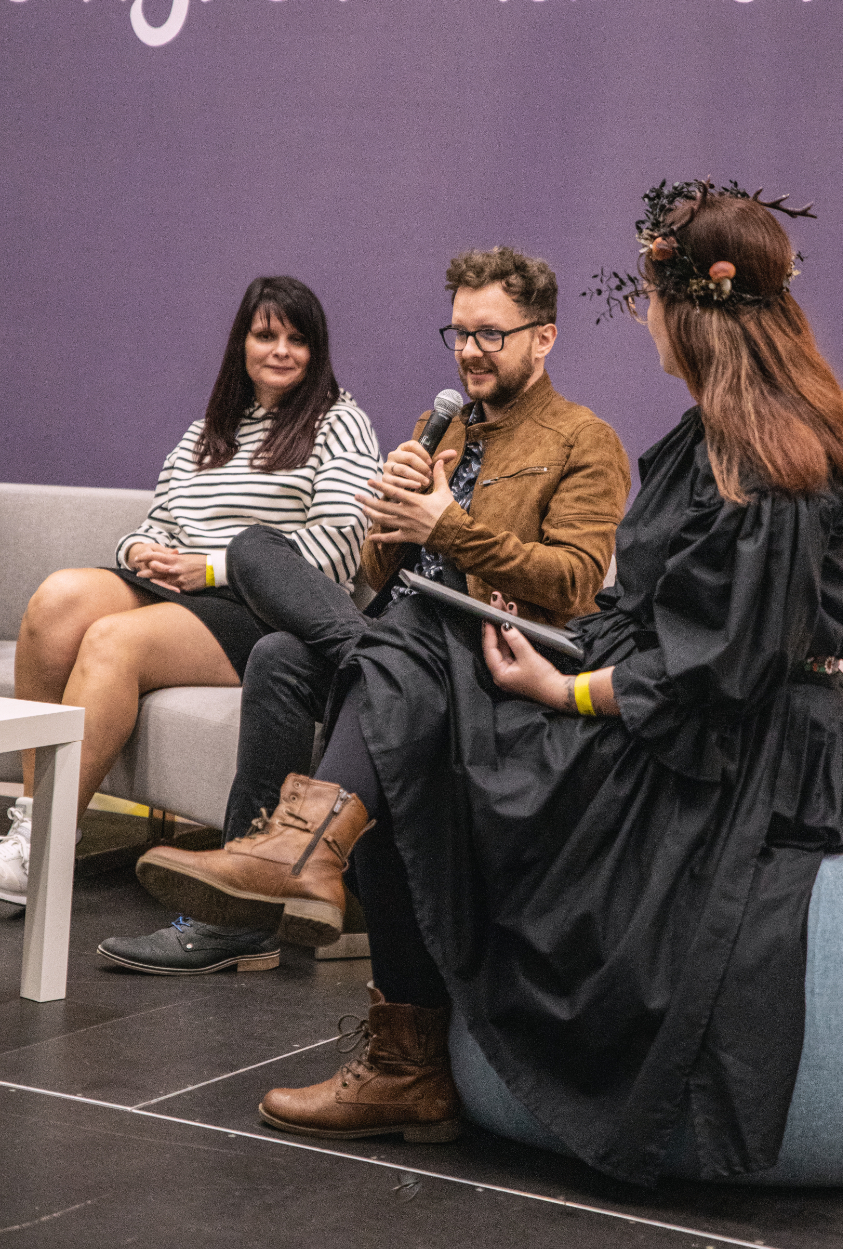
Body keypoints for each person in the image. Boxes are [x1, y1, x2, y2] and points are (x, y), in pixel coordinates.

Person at [219, 184, 843, 1183]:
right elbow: (659, 621)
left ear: (691, 310)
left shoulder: (767, 459)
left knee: (409, 684)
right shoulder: (721, 436)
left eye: (649, 302)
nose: (645, 321)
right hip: (683, 705)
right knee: (407, 666)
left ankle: (326, 884)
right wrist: (538, 648)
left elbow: (717, 671)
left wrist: (564, 690)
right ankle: (352, 939)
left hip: (746, 754)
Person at [101, 246, 631, 972]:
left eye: (490, 334)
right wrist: (392, 520)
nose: (469, 352)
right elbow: (386, 573)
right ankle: (245, 909)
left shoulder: (585, 440)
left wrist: (447, 527)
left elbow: (574, 582)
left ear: (544, 337)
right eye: (459, 333)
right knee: (272, 625)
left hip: (486, 657)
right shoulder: (441, 425)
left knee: (336, 610)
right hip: (404, 638)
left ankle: (290, 859)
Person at [3, 276, 382, 935]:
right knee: (56, 602)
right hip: (178, 584)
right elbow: (158, 522)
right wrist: (140, 550)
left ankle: (45, 849)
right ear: (242, 343)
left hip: (263, 604)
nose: (281, 350)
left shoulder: (340, 422)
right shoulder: (208, 431)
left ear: (317, 351)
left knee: (113, 642)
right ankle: (36, 827)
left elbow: (338, 547)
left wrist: (209, 566)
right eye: (266, 335)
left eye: (298, 339)